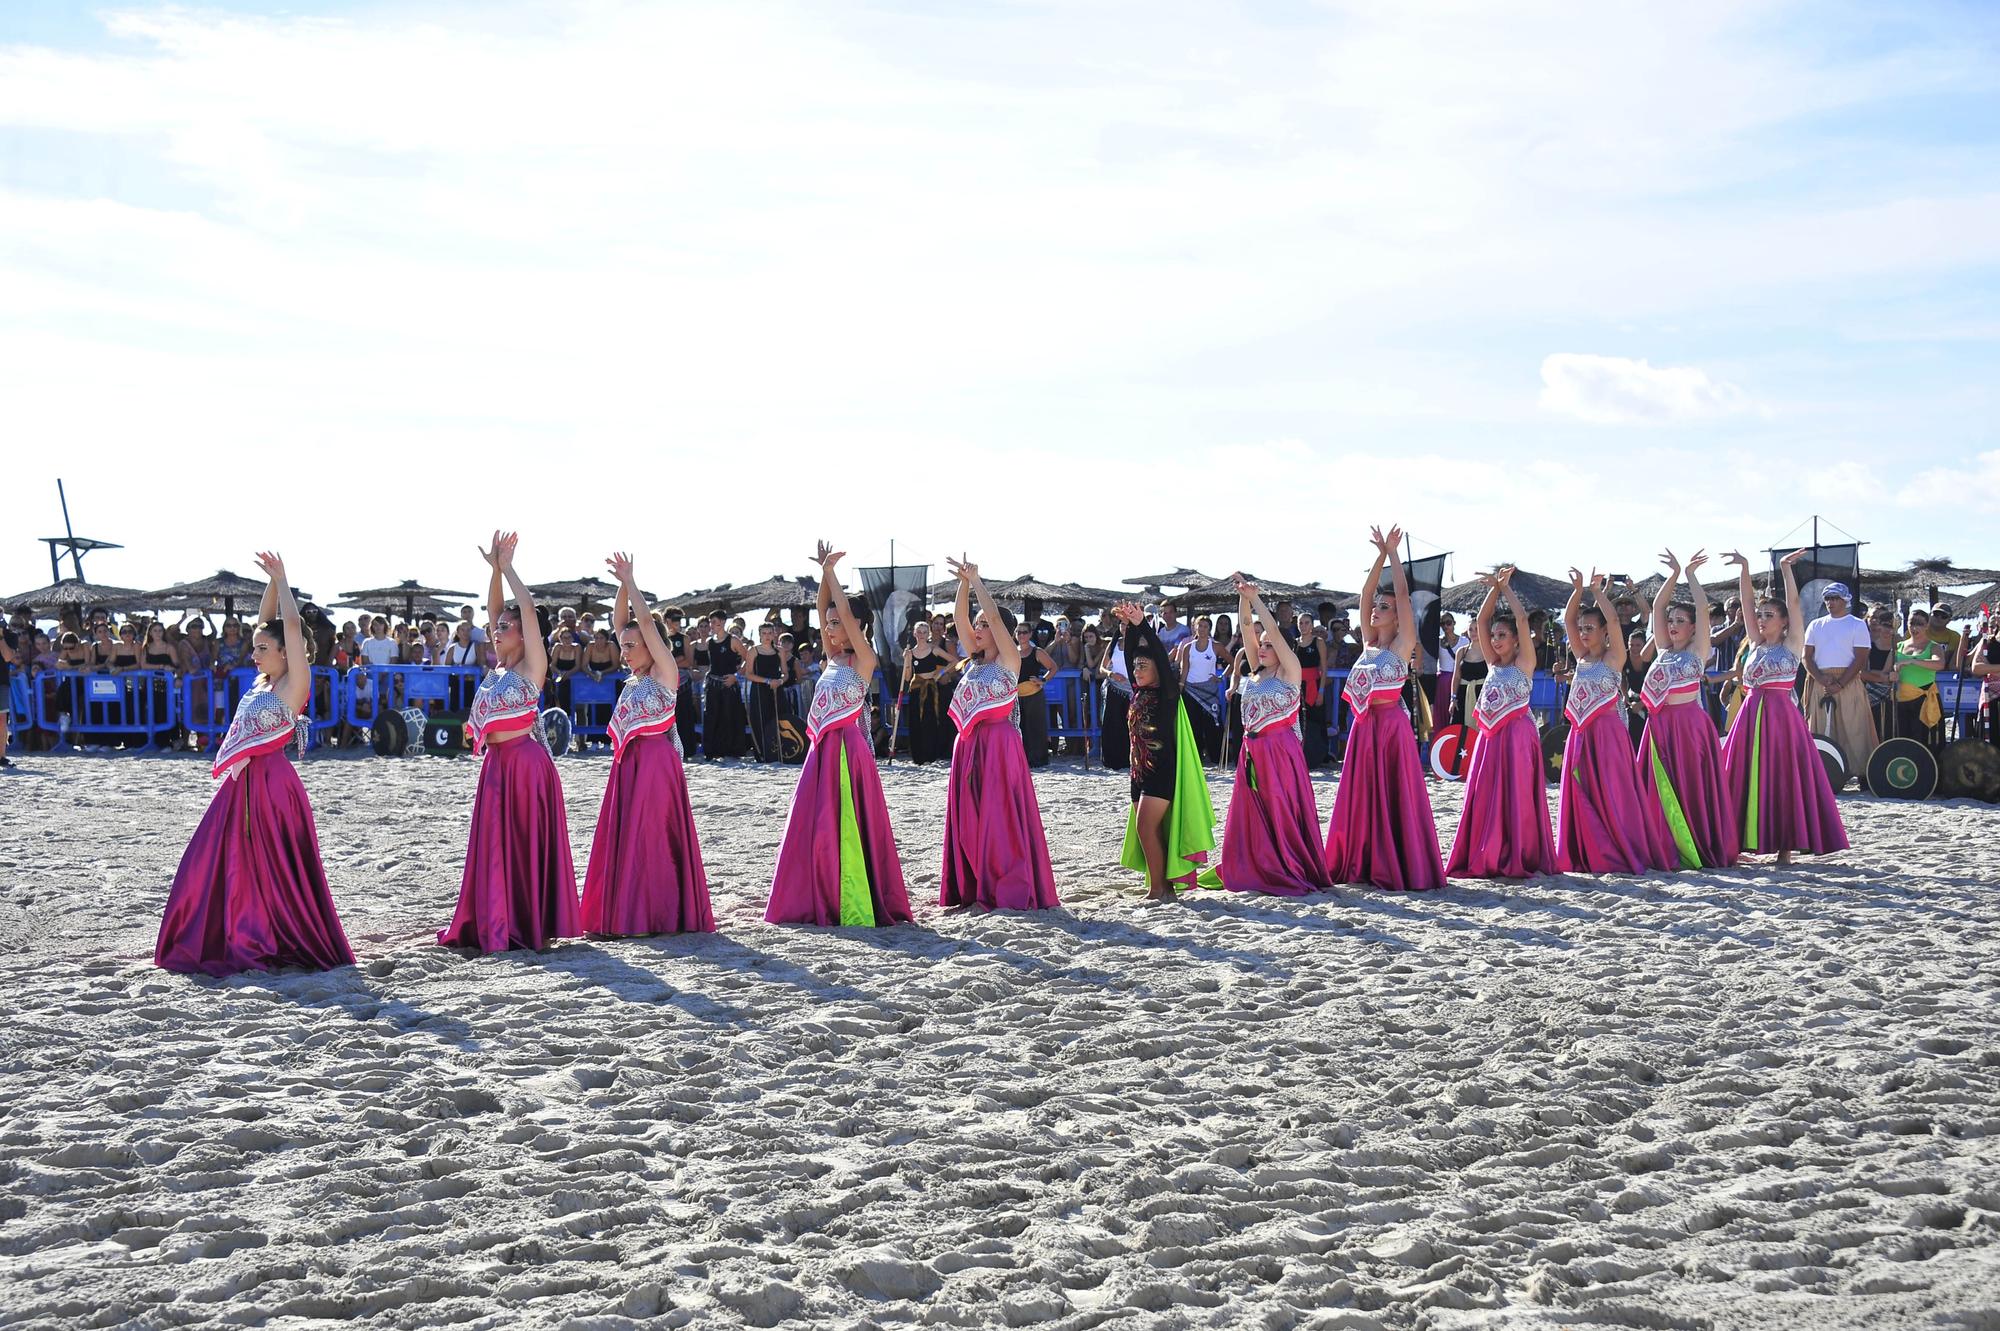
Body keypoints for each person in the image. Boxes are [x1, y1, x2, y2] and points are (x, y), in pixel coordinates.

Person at [155, 553, 353, 976]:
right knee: (214, 860)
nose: (255, 654)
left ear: (288, 652)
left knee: (271, 867)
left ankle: (264, 937)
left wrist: (284, 582)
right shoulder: (263, 681)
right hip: (242, 783)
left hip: (273, 786)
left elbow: (291, 627)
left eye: (264, 649)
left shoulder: (294, 682)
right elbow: (267, 622)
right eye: (254, 648)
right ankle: (230, 932)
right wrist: (269, 585)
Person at [438, 532, 580, 953]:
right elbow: (495, 608)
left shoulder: (534, 664)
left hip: (525, 765)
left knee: (520, 848)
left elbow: (528, 611)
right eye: (495, 628)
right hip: (497, 765)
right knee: (497, 848)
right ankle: (495, 919)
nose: (496, 631)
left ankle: (523, 922)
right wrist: (495, 571)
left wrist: (511, 567)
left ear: (525, 634)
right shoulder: (500, 667)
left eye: (506, 627)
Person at [766, 544, 913, 927]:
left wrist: (832, 576)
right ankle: (819, 889)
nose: (830, 629)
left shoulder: (864, 658)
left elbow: (845, 614)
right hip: (823, 750)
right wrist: (824, 578)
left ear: (856, 626)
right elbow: (822, 610)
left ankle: (851, 896)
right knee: (818, 825)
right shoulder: (833, 659)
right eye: (829, 625)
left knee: (847, 824)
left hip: (848, 751)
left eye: (837, 624)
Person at [579, 553, 713, 937]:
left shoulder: (663, 669)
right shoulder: (637, 675)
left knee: (651, 838)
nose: (625, 650)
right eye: (622, 646)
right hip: (629, 763)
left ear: (651, 645)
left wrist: (633, 584)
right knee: (630, 838)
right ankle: (628, 911)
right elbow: (621, 623)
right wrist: (621, 584)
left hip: (655, 762)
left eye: (631, 645)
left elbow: (642, 628)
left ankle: (653, 913)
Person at [1324, 526, 1445, 892]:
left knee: (1394, 797)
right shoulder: (1369, 643)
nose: (1376, 610)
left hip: (1391, 728)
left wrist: (1394, 555)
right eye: (1377, 606)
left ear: (1397, 616)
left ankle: (1397, 861)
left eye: (1384, 607)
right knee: (1362, 797)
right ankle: (1361, 860)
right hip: (1364, 728)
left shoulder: (1403, 643)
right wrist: (1378, 557)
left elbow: (1405, 597)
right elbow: (1364, 593)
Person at [938, 558, 1058, 912]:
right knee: (969, 820)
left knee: (999, 820)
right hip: (969, 746)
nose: (977, 629)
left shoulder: (1010, 660)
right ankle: (974, 884)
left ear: (1000, 631)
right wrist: (963, 585)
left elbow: (991, 616)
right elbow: (960, 619)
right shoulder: (975, 661)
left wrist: (978, 583)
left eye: (985, 625)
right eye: (978, 625)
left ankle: (1003, 885)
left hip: (999, 746)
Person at [1719, 550, 1848, 864]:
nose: (1761, 620)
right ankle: (1736, 844)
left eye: (1768, 616)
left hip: (1780, 718)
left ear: (1784, 622)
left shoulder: (1792, 643)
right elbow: (1746, 603)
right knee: (1740, 776)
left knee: (1783, 778)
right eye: (1760, 616)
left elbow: (1793, 604)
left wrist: (1786, 569)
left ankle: (1785, 849)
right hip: (1749, 716)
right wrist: (1746, 569)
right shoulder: (1755, 642)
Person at [1555, 569, 1674, 875]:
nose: (1583, 632)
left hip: (1608, 733)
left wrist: (1597, 593)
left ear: (1604, 631)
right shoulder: (1581, 656)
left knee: (1612, 793)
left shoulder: (1614, 656)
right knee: (1582, 792)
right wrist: (1578, 590)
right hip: (1581, 732)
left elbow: (1610, 620)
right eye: (1582, 628)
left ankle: (1618, 848)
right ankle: (1587, 849)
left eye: (1590, 628)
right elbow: (1568, 620)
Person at [1219, 577, 1331, 896]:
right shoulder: (1257, 669)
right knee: (1253, 810)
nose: (1263, 648)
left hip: (1280, 751)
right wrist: (1243, 599)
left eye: (1269, 644)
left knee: (1280, 810)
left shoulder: (1289, 670)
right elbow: (1245, 628)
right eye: (1261, 644)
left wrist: (1258, 602)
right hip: (1252, 751)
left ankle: (1285, 866)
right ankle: (1255, 863)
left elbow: (1275, 634)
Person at [1446, 567, 1556, 879]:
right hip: (1491, 737)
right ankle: (1488, 848)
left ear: (1516, 640)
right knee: (1485, 792)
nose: (1494, 640)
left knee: (1516, 793)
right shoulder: (1492, 663)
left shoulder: (1525, 662)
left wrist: (1506, 589)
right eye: (1493, 636)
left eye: (1501, 635)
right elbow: (1481, 621)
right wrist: (1492, 590)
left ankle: (1517, 851)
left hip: (1518, 734)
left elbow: (1521, 621)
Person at [1634, 549, 1739, 870]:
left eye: (1681, 621)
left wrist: (1691, 576)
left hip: (1690, 727)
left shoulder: (1699, 649)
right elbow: (1657, 607)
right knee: (1660, 788)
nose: (1674, 624)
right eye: (1671, 621)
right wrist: (1673, 574)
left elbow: (1704, 612)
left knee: (1691, 787)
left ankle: (1695, 843)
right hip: (1659, 726)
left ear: (1693, 627)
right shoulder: (1663, 649)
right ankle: (1664, 843)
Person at [1112, 600, 1221, 900]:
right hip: (1138, 771)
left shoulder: (1167, 694)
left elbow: (1156, 655)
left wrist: (1143, 625)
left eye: (1143, 667)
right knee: (1148, 831)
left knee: (1146, 827)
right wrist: (1131, 627)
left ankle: (1159, 889)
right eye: (1134, 666)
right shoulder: (1138, 693)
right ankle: (1161, 887)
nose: (1137, 670)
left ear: (1159, 671)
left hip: (1162, 771)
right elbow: (1135, 651)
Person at [1802, 582, 1876, 782]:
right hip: (1820, 681)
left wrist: (1841, 683)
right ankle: (1823, 774)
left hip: (1848, 680)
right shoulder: (1815, 625)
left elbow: (1860, 657)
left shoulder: (1857, 624)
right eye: (1827, 598)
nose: (1830, 602)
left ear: (1845, 600)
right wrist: (1821, 678)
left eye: (1835, 598)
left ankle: (1862, 773)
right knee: (1820, 728)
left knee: (1855, 728)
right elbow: (1806, 657)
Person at [1893, 609, 1951, 753]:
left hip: (1924, 699)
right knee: (1904, 740)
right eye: (1912, 623)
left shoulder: (1933, 646)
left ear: (1927, 626)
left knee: (1926, 741)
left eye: (1919, 624)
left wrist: (1912, 661)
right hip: (1901, 699)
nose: (1915, 628)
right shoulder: (1899, 646)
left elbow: (1939, 664)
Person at [1174, 614, 1226, 765]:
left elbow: (1232, 661)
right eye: (1200, 626)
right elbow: (1184, 669)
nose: (1202, 629)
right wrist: (1181, 686)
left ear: (1210, 629)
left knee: (1213, 723)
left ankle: (1215, 756)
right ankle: (1196, 756)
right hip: (1190, 690)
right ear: (1195, 627)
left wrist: (1221, 676)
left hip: (1209, 690)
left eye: (1205, 626)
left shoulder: (1216, 646)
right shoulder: (1187, 647)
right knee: (1193, 724)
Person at [898, 621, 951, 764]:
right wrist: (907, 660)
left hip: (931, 689)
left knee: (931, 720)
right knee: (916, 720)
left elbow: (953, 661)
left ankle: (931, 754)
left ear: (928, 634)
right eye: (919, 632)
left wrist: (939, 674)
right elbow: (908, 677)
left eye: (924, 632)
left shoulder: (934, 649)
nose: (921, 635)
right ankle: (918, 756)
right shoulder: (910, 653)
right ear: (915, 634)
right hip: (916, 688)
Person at [699, 612, 749, 759]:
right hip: (713, 684)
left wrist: (736, 676)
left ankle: (732, 751)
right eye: (711, 622)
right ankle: (712, 751)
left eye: (714, 622)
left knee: (730, 716)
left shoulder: (733, 640)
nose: (712, 625)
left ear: (722, 622)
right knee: (712, 717)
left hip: (729, 684)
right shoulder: (710, 641)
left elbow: (748, 659)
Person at [1013, 621, 1057, 768]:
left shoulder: (1036, 651)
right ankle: (1022, 759)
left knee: (1036, 727)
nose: (1021, 635)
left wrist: (1042, 680)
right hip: (1017, 695)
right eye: (1018, 632)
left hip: (1034, 693)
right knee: (1020, 727)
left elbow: (1053, 667)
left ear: (1030, 634)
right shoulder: (1013, 652)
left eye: (1024, 632)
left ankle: (1039, 759)